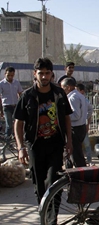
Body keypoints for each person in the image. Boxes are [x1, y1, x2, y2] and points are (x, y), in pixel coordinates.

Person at [14, 57, 73, 207]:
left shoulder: (59, 94)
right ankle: (44, 214)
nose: (44, 77)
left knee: (54, 182)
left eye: (47, 73)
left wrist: (69, 142)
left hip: (55, 144)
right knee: (39, 184)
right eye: (41, 73)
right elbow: (18, 123)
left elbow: (66, 119)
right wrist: (21, 148)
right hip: (35, 145)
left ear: (52, 74)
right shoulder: (27, 96)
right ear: (35, 74)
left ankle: (52, 219)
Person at [61, 78, 87, 167]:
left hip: (75, 129)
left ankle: (79, 175)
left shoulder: (72, 98)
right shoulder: (80, 95)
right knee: (76, 154)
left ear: (68, 87)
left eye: (63, 88)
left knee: (75, 155)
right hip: (81, 127)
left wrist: (64, 117)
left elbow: (76, 115)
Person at [0, 67, 23, 138]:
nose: (10, 77)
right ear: (5, 74)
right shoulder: (1, 84)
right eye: (8, 75)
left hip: (15, 106)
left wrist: (21, 105)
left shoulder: (16, 82)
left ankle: (16, 139)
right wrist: (1, 110)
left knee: (17, 124)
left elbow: (20, 94)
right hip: (6, 106)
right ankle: (7, 140)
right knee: (9, 125)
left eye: (12, 75)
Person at [76, 83, 94, 166]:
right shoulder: (75, 99)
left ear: (82, 91)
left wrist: (87, 123)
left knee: (86, 143)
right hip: (77, 125)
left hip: (82, 124)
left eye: (77, 90)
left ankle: (89, 160)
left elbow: (90, 111)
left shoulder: (85, 100)